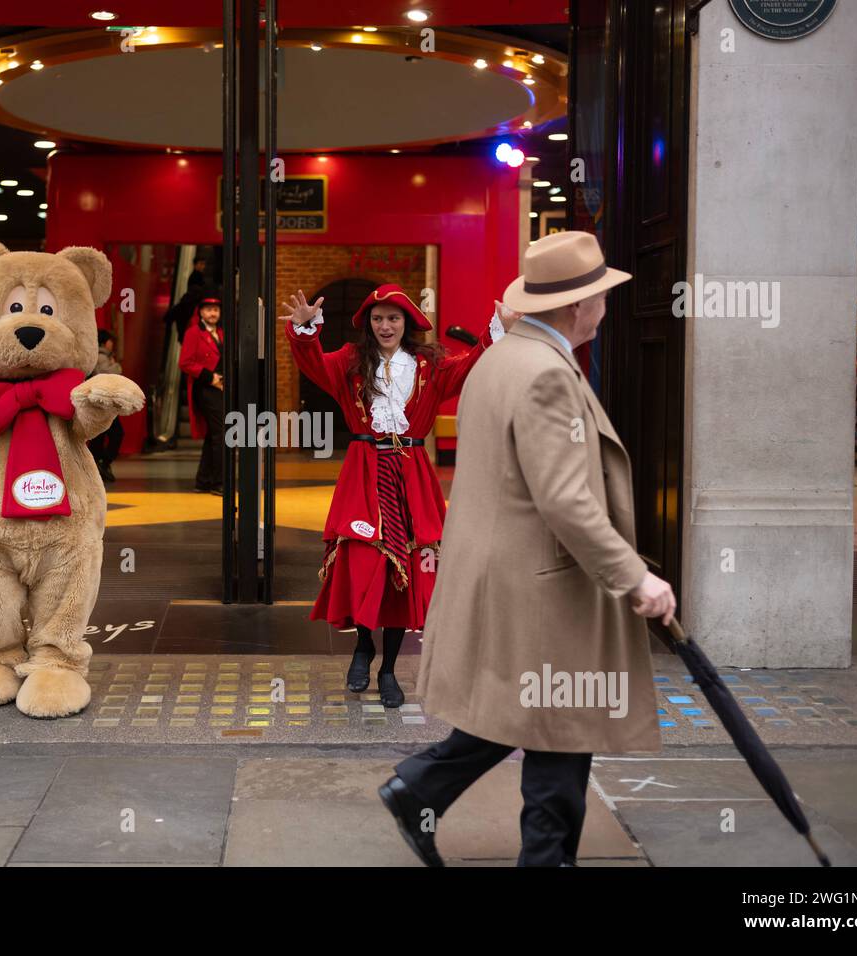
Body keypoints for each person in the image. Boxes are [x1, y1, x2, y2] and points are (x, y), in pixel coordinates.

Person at [378, 230, 676, 867]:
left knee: (535, 713)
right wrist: (636, 578)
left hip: (512, 574)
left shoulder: (504, 357)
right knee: (559, 723)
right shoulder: (547, 375)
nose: (606, 306)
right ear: (575, 307)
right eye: (600, 295)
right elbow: (565, 500)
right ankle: (542, 857)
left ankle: (421, 790)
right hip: (546, 584)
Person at [281, 284, 508, 708]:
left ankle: (387, 669)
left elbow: (472, 366)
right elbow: (311, 364)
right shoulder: (350, 361)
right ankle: (363, 646)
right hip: (365, 472)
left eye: (394, 318)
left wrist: (497, 331)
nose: (385, 326)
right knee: (365, 559)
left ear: (407, 323)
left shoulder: (430, 365)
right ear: (369, 323)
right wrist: (305, 329)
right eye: (378, 318)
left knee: (406, 567)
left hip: (411, 475)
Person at [178, 293, 225, 494]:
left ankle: (203, 481)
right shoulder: (193, 333)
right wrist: (212, 378)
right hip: (205, 388)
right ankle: (218, 483)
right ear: (201, 313)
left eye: (215, 310)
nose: (212, 313)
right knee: (221, 434)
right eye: (208, 310)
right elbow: (185, 363)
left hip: (220, 388)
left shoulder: (222, 332)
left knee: (213, 434)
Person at [87, 329, 125, 484]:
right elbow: (108, 375)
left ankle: (97, 466)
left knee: (99, 436)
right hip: (103, 403)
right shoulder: (102, 357)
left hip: (99, 403)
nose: (112, 344)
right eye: (111, 341)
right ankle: (103, 462)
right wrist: (117, 367)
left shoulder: (99, 356)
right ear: (104, 342)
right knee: (117, 433)